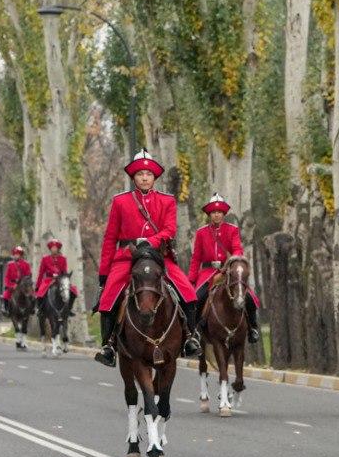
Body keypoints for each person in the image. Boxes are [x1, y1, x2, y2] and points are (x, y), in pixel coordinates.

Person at [94, 149, 201, 367]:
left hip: (159, 256)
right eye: (140, 173)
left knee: (188, 292)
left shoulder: (167, 201)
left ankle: (190, 337)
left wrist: (150, 242)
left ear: (154, 177)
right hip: (127, 258)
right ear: (134, 177)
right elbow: (110, 238)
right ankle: (109, 345)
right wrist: (104, 274)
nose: (144, 177)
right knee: (109, 297)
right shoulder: (120, 201)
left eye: (149, 174)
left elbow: (170, 230)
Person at [188, 193, 260, 344]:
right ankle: (194, 334)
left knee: (250, 297)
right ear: (209, 214)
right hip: (207, 273)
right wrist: (191, 279)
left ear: (224, 214)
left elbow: (237, 249)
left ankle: (253, 328)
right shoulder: (201, 232)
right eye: (214, 212)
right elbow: (196, 258)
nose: (217, 215)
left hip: (227, 271)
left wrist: (234, 262)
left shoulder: (232, 230)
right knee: (196, 298)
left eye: (219, 212)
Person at [35, 238, 78, 325]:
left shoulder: (63, 259)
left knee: (73, 291)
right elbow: (41, 273)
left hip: (61, 279)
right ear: (50, 249)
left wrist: (62, 277)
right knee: (40, 292)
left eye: (55, 247)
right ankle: (40, 309)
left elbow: (64, 271)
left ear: (58, 249)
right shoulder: (45, 259)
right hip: (49, 280)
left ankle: (69, 309)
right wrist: (38, 285)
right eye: (52, 247)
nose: (54, 249)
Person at [2, 246, 32, 314]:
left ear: (21, 255)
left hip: (23, 284)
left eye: (18, 254)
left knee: (31, 295)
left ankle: (32, 309)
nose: (16, 256)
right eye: (15, 254)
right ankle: (5, 309)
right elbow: (7, 277)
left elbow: (28, 275)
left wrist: (23, 282)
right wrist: (10, 286)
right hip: (12, 285)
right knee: (5, 295)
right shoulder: (10, 264)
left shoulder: (26, 264)